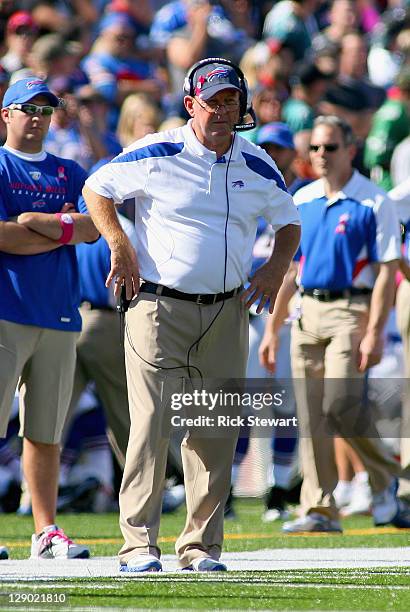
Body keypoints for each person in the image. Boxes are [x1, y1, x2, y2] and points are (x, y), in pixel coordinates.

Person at [83, 57, 300, 572]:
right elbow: (97, 187)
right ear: (190, 106)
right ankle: (137, 544)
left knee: (214, 429)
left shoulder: (258, 162)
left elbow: (288, 220)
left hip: (227, 309)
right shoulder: (158, 149)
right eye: (214, 101)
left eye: (232, 100)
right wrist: (120, 243)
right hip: (158, 305)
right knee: (154, 423)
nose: (224, 111)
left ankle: (200, 545)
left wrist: (274, 269)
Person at [259, 114, 410, 533]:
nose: (321, 155)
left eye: (330, 147)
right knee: (311, 417)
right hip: (306, 312)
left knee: (341, 408)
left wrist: (376, 331)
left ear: (350, 149)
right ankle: (320, 508)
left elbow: (386, 271)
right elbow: (290, 268)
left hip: (351, 311)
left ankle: (392, 482)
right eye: (316, 148)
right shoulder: (302, 198)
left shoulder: (374, 201)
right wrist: (272, 328)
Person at [0, 77, 99, 560]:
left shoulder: (69, 171)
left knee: (45, 431)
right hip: (6, 310)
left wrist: (36, 224)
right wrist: (61, 230)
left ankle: (45, 531)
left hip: (59, 313)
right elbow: (2, 238)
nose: (37, 118)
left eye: (45, 110)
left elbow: (94, 226)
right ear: (7, 115)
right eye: (28, 109)